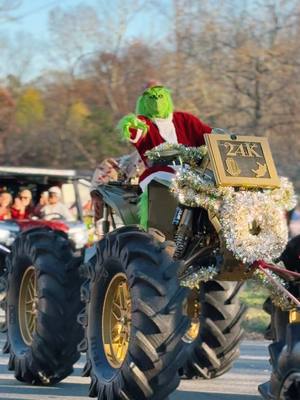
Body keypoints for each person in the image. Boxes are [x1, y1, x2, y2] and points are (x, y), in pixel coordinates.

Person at [118, 81, 212, 190]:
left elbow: (208, 134)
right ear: (143, 100)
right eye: (151, 96)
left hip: (196, 171)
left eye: (160, 95)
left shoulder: (184, 119)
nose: (157, 101)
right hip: (163, 172)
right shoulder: (145, 123)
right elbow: (135, 131)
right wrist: (131, 124)